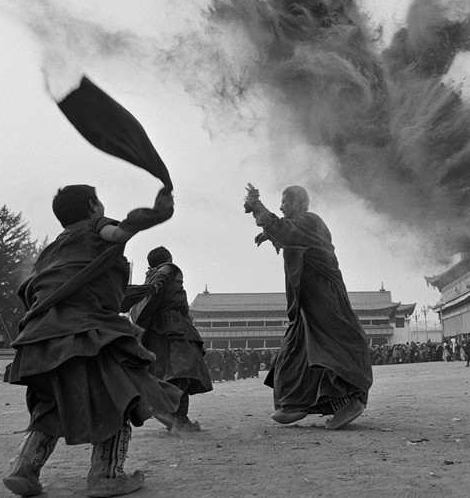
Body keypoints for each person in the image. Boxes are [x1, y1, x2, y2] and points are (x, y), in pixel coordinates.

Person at [4, 185, 179, 498]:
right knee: (119, 397)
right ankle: (106, 475)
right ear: (92, 205)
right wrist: (157, 213)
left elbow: (43, 288)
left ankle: (24, 468)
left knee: (51, 404)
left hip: (40, 336)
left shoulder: (52, 250)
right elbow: (119, 233)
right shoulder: (96, 227)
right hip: (85, 331)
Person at [244, 184, 373, 430]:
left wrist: (258, 206)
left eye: (285, 201)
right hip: (307, 302)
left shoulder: (311, 221)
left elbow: (285, 231)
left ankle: (349, 402)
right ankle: (296, 404)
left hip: (324, 298)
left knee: (328, 350)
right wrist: (271, 234)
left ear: (299, 203)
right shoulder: (302, 225)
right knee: (295, 352)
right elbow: (286, 233)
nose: (281, 206)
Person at [126, 246, 213, 434]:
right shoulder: (167, 269)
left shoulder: (149, 277)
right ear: (168, 259)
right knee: (182, 371)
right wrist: (158, 282)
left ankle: (175, 416)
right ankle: (177, 418)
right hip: (174, 327)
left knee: (170, 373)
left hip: (158, 329)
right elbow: (164, 274)